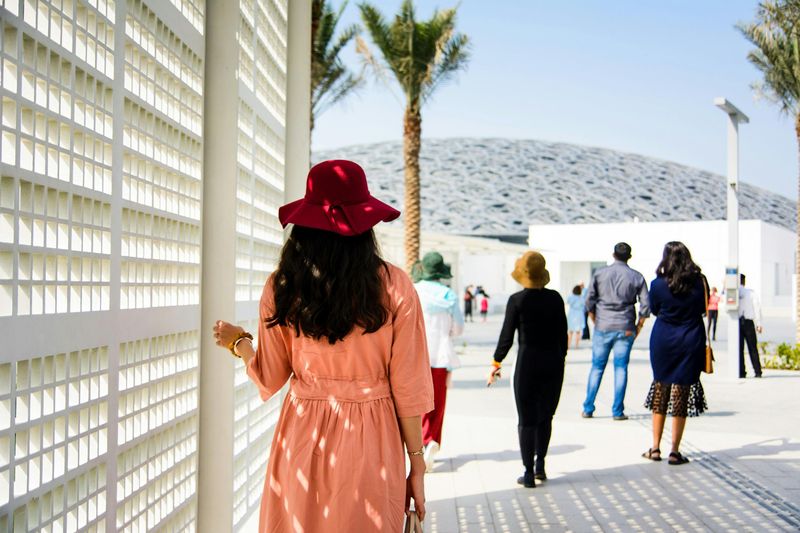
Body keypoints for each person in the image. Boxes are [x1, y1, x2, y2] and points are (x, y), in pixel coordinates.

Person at [212, 160, 433, 532]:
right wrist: (417, 462)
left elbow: (270, 376)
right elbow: (407, 386)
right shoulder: (395, 285)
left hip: (302, 431)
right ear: (365, 224)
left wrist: (239, 342)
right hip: (373, 435)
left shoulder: (282, 286)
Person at [487, 251, 567, 488]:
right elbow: (562, 335)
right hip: (553, 363)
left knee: (526, 419)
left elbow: (506, 338)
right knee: (546, 416)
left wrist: (496, 363)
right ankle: (541, 464)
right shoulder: (555, 298)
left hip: (528, 363)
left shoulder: (517, 300)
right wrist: (560, 358)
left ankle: (528, 472)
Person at [642, 241, 708, 465]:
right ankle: (674, 451)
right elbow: (703, 309)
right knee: (681, 393)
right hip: (690, 339)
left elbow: (654, 310)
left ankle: (655, 447)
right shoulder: (699, 283)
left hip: (663, 340)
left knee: (661, 389)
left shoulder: (657, 284)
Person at [582, 242, 650, 421]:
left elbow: (589, 300)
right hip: (625, 326)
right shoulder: (637, 277)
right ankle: (617, 411)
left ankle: (588, 408)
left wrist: (594, 318)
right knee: (621, 369)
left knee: (597, 368)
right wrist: (638, 326)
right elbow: (646, 305)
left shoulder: (600, 274)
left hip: (603, 325)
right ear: (629, 256)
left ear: (613, 255)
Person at [414, 252, 464, 472]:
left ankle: (423, 442)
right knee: (438, 400)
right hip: (442, 354)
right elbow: (458, 328)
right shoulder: (448, 295)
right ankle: (432, 439)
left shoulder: (414, 291)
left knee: (418, 400)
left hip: (416, 353)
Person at [738, 274, 763, 378]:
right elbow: (757, 308)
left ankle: (741, 372)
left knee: (739, 349)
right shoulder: (751, 293)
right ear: (744, 281)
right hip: (749, 323)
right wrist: (759, 324)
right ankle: (757, 371)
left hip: (738, 323)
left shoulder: (735, 292)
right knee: (753, 348)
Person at [566, 284, 586, 349]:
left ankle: (568, 345)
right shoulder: (582, 298)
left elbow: (568, 302)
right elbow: (584, 305)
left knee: (570, 332)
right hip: (579, 315)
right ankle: (576, 346)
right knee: (578, 332)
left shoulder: (571, 297)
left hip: (571, 314)